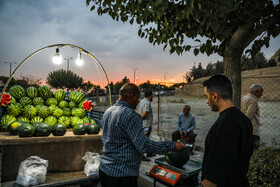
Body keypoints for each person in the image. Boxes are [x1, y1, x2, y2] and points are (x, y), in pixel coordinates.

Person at [99, 83, 188, 187]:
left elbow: (111, 136)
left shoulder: (108, 111)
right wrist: (172, 146)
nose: (138, 102)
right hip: (122, 175)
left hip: (105, 170)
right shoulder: (131, 115)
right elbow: (144, 145)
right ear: (133, 96)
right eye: (138, 98)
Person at [201, 75, 253, 187]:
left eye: (207, 96)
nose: (206, 101)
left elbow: (213, 179)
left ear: (215, 96)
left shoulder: (225, 124)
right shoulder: (244, 120)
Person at [241, 84, 263, 150]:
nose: (261, 94)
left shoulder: (243, 98)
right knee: (254, 150)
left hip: (243, 130)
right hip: (252, 130)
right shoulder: (253, 101)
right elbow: (248, 116)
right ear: (256, 91)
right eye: (261, 92)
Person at [137, 90, 155, 160]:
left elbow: (138, 111)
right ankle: (142, 155)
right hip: (146, 125)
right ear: (150, 95)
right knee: (144, 139)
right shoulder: (147, 103)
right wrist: (140, 119)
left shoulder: (141, 101)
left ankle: (149, 153)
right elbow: (145, 113)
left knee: (146, 139)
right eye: (152, 95)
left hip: (143, 124)